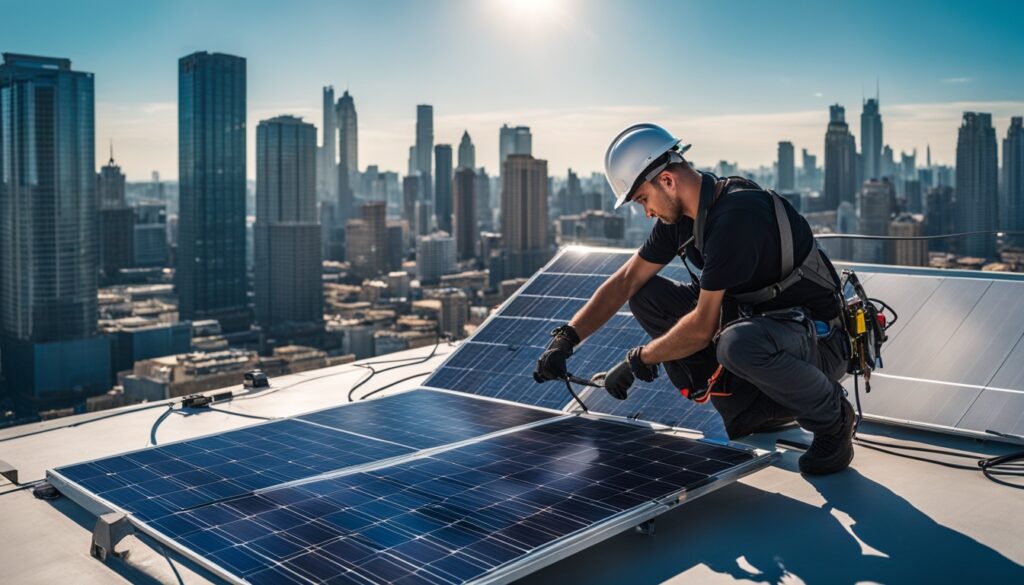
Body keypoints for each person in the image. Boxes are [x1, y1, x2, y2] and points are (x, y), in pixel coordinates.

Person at [533, 123, 854, 475]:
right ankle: (751, 407)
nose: (647, 212)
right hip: (770, 331)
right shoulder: (685, 219)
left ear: (667, 181)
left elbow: (702, 328)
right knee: (646, 294)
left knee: (737, 344)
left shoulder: (736, 218)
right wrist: (567, 338)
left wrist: (638, 360)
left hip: (820, 342)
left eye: (642, 199)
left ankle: (834, 419)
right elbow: (626, 281)